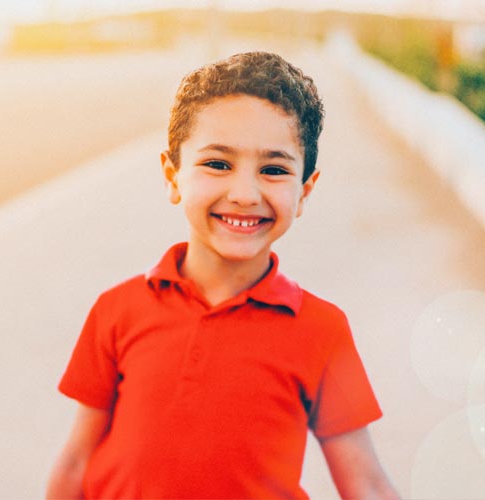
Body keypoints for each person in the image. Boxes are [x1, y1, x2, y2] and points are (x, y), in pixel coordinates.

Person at [46, 51, 398, 499]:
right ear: (173, 177)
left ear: (304, 192)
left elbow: (364, 481)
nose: (244, 194)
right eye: (218, 164)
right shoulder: (117, 310)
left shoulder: (322, 331)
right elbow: (78, 458)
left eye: (273, 170)